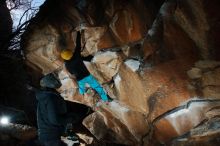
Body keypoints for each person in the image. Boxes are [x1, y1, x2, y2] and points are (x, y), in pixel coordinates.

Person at [60, 31, 111, 102]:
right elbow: (78, 45)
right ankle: (106, 99)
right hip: (87, 76)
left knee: (81, 90)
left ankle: (83, 97)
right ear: (70, 53)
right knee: (97, 87)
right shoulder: (76, 56)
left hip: (80, 79)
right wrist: (79, 33)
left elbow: (72, 73)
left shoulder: (67, 64)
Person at [33, 73, 79, 146]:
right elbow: (54, 120)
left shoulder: (43, 97)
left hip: (46, 136)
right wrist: (71, 118)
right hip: (52, 137)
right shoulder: (50, 98)